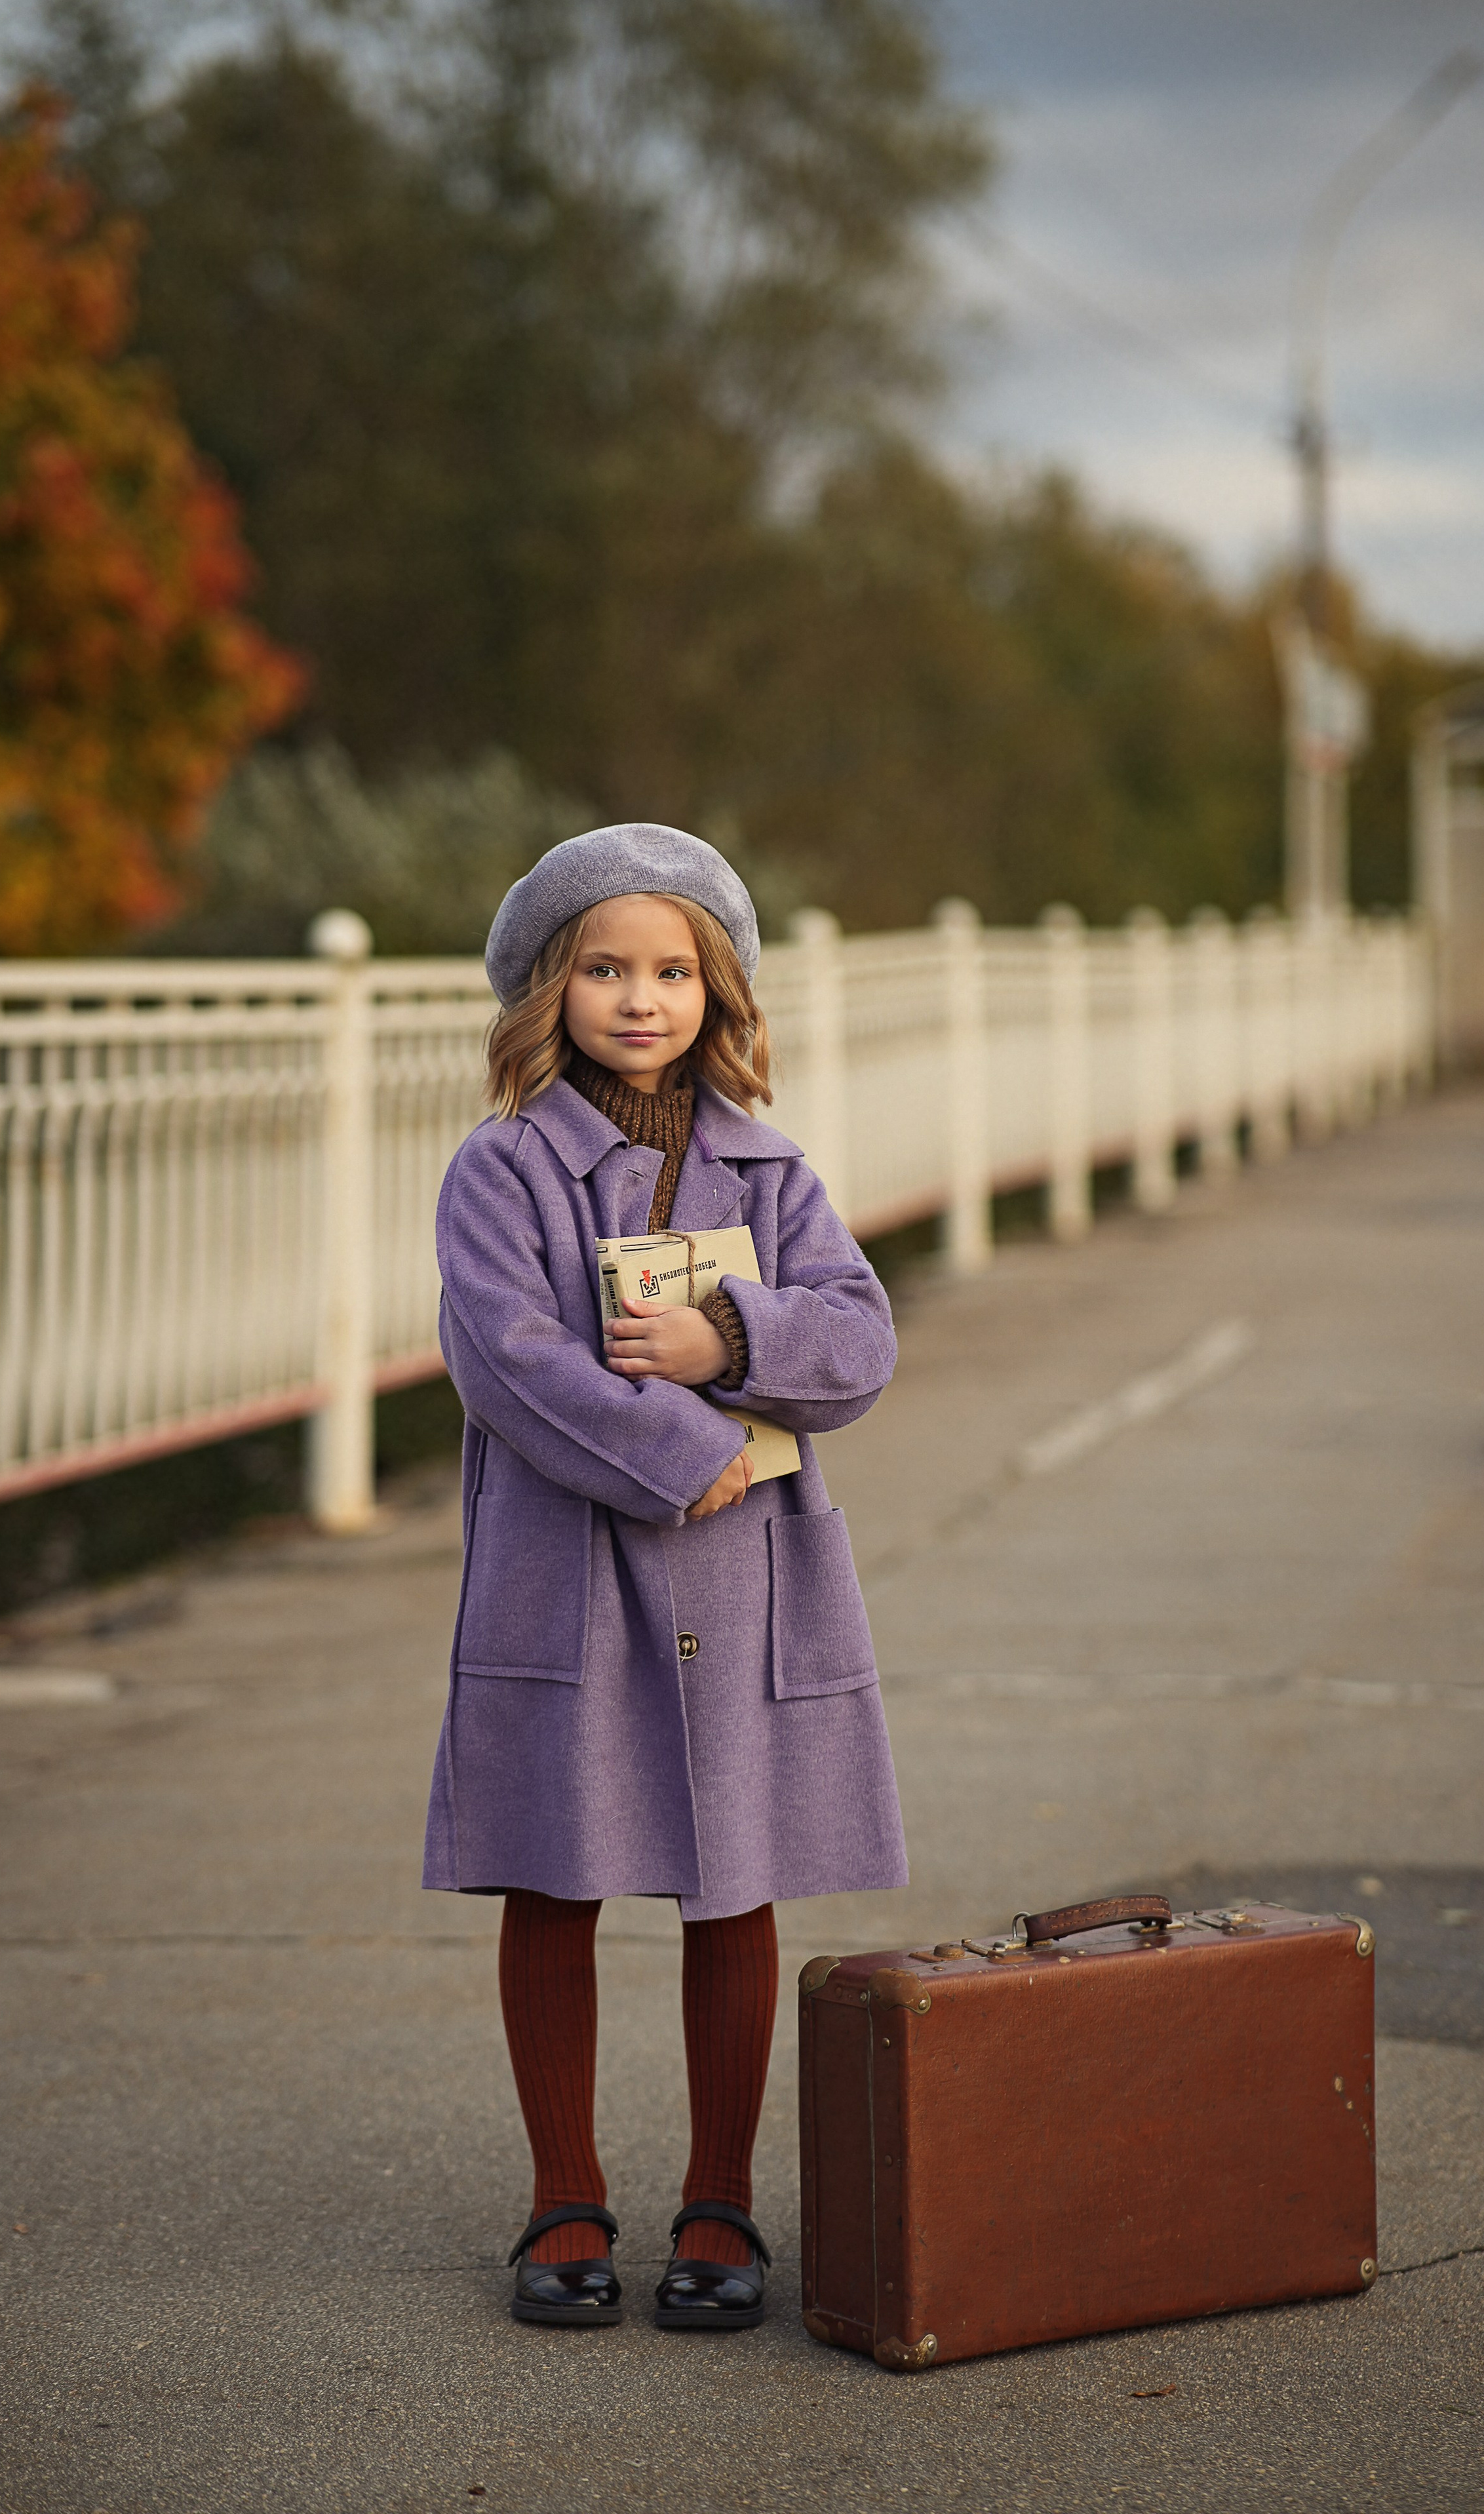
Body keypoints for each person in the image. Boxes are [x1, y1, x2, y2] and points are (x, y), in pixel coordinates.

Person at [423, 822, 907, 2333]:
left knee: (730, 1878)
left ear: (719, 991)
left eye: (672, 969)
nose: (641, 997)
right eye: (606, 968)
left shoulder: (773, 1171)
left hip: (742, 1577)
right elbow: (509, 1362)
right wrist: (669, 1444)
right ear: (547, 987)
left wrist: (731, 1339)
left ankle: (721, 2197)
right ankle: (561, 2194)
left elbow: (861, 1338)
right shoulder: (502, 1172)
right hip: (564, 1571)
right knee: (553, 1871)